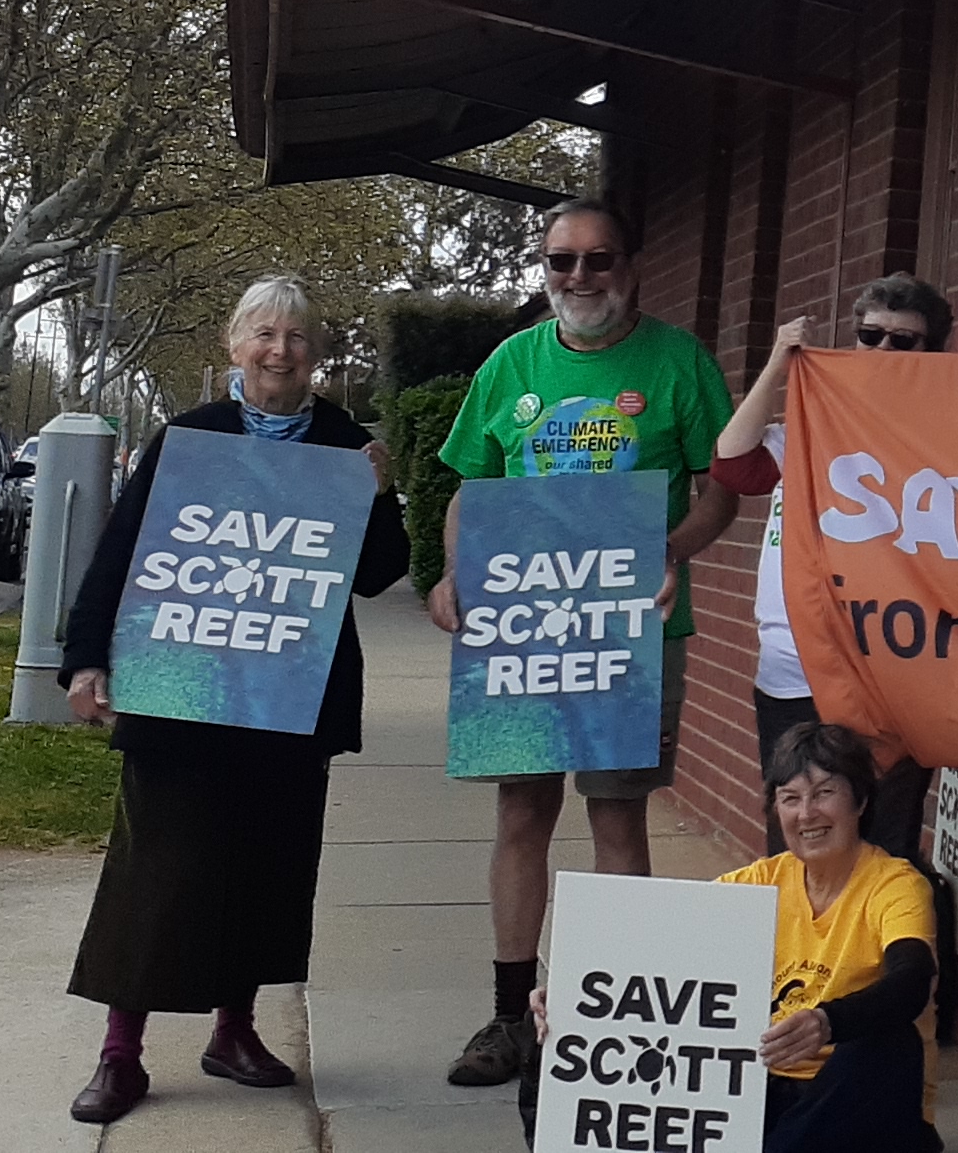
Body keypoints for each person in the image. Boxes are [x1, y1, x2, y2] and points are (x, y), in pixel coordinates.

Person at [57, 276, 409, 1123]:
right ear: (233, 343)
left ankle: (236, 1030)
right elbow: (122, 553)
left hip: (290, 696)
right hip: (181, 688)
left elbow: (377, 575)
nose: (280, 350)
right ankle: (121, 1052)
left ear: (317, 354)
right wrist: (85, 660)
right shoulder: (189, 438)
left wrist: (380, 494)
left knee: (266, 867)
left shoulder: (343, 444)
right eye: (264, 333)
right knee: (157, 870)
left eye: (296, 336)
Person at [427, 197, 737, 1086]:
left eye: (598, 260)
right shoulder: (511, 364)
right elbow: (469, 487)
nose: (579, 279)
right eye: (562, 262)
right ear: (545, 270)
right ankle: (507, 1017)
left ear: (630, 267)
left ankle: (611, 1022)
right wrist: (458, 575)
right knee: (522, 811)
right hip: (526, 626)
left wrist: (671, 549)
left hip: (629, 628)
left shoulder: (678, 362)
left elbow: (723, 483)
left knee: (616, 814)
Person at [525, 723, 944, 1153]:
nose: (807, 814)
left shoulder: (894, 884)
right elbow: (650, 956)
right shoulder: (757, 884)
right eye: (790, 798)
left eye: (824, 793)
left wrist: (828, 1022)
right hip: (758, 1092)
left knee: (890, 1046)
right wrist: (571, 997)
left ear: (861, 800)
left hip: (849, 1099)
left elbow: (912, 979)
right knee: (556, 1027)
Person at [715, 274, 956, 858]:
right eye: (870, 335)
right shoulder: (806, 424)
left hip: (892, 673)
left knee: (884, 846)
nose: (882, 352)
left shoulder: (948, 437)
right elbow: (733, 465)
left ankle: (881, 954)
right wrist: (780, 360)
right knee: (797, 838)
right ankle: (803, 953)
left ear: (932, 354)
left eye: (904, 341)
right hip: (791, 670)